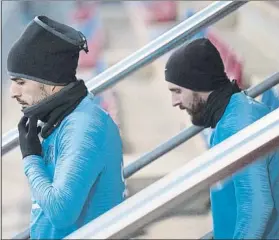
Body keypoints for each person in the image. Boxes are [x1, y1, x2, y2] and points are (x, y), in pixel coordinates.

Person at [7, 15, 126, 239]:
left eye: (21, 82)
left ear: (51, 84)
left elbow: (61, 212)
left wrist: (31, 158)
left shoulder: (84, 126)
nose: (13, 92)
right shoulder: (64, 119)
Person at [164, 38, 279, 239]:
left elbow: (257, 207)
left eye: (177, 91)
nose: (174, 102)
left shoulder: (239, 125)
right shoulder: (229, 117)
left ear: (197, 83)